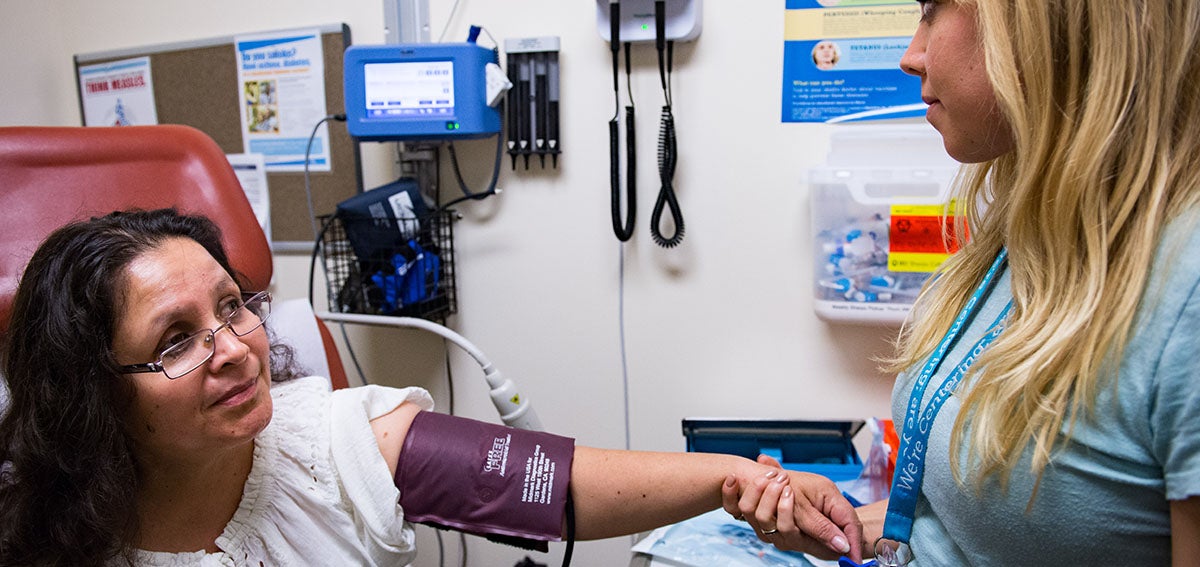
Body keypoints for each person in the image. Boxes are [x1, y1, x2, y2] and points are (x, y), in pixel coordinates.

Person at [0, 209, 860, 566]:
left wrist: (735, 477)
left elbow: (552, 485)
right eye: (176, 341)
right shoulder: (50, 541)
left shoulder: (330, 443)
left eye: (234, 307)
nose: (232, 349)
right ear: (95, 393)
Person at [726, 0, 1200, 564]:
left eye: (932, 9)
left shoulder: (1182, 289)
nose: (910, 56)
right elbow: (964, 528)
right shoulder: (1036, 230)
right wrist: (843, 520)